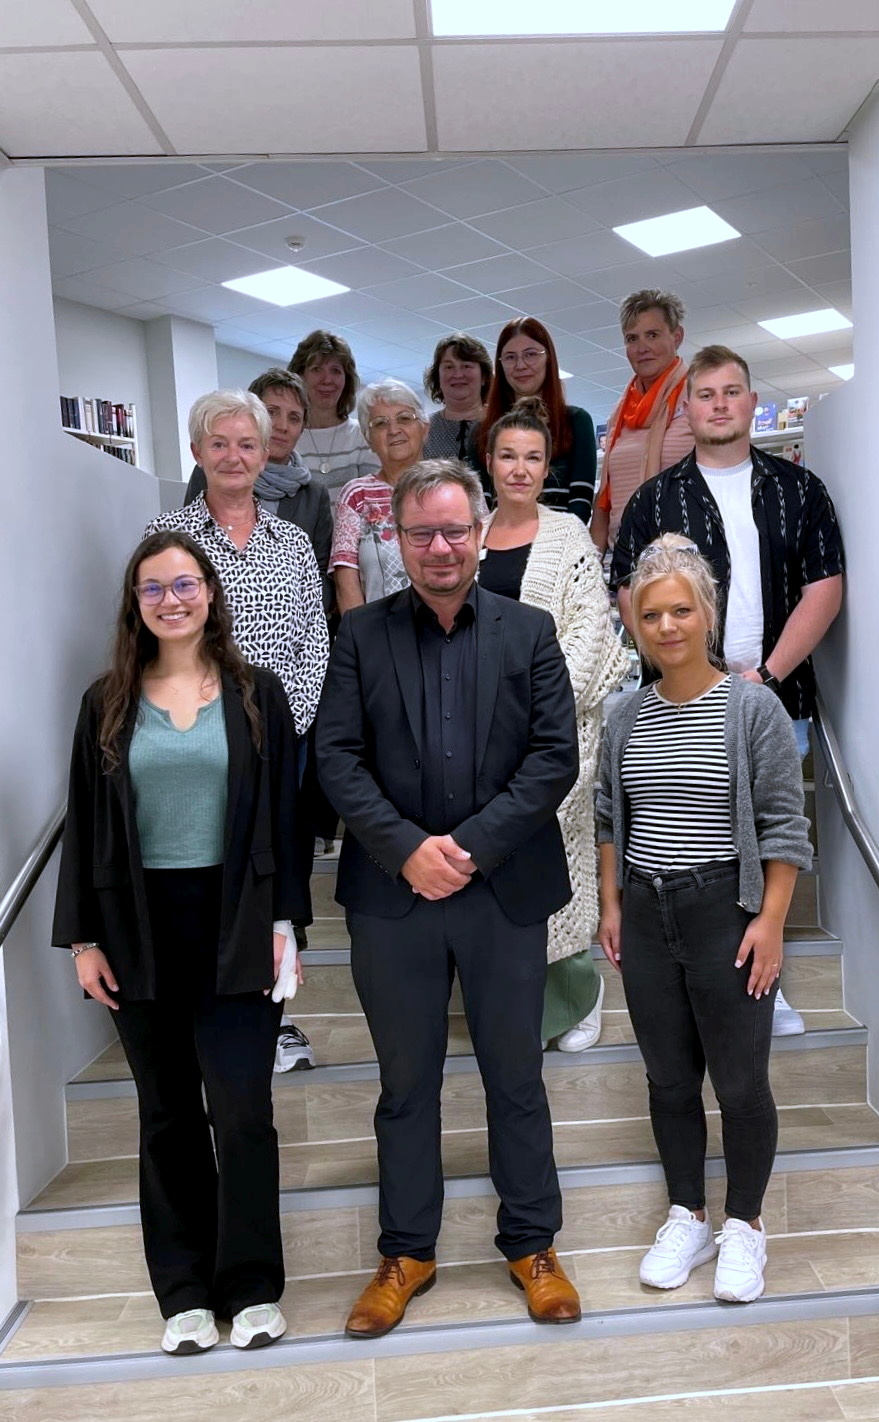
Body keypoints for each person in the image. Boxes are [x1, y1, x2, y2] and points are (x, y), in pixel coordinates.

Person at [316, 458, 582, 1338]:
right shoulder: (360, 637)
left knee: (517, 1077)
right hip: (396, 899)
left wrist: (464, 848)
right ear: (394, 539)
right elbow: (336, 759)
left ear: (478, 533)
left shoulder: (530, 630)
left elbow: (553, 757)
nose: (440, 547)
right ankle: (407, 1253)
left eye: (454, 530)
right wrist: (406, 852)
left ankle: (532, 1244)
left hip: (501, 888)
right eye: (421, 532)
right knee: (405, 1085)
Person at [52, 530, 310, 1356]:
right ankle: (186, 1292)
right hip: (137, 925)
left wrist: (285, 923)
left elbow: (286, 818)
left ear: (210, 593)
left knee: (241, 1112)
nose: (171, 600)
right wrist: (82, 940)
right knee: (166, 1115)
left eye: (185, 585)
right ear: (136, 603)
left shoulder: (256, 692)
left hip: (237, 917)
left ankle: (251, 1286)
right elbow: (87, 825)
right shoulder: (107, 703)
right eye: (153, 588)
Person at [596, 535, 811, 1305]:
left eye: (680, 610)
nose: (666, 626)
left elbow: (784, 824)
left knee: (741, 1084)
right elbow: (608, 819)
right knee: (666, 1080)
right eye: (651, 614)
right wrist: (612, 906)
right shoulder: (624, 716)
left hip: (725, 910)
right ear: (635, 624)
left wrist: (771, 922)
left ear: (707, 613)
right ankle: (686, 1213)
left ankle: (744, 1227)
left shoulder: (751, 706)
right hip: (647, 917)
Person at [611, 345, 845, 1037]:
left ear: (749, 401)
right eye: (704, 393)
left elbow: (823, 587)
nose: (717, 403)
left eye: (731, 391)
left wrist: (766, 675)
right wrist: (689, 672)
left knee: (768, 838)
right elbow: (628, 591)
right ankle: (700, 986)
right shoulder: (657, 497)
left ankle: (762, 984)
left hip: (775, 696)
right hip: (681, 698)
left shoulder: (798, 490)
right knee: (696, 852)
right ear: (686, 410)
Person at [146, 389, 329, 1072]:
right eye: (218, 443)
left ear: (265, 453)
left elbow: (315, 639)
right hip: (194, 740)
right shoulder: (167, 538)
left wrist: (287, 723)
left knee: (278, 873)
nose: (233, 456)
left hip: (282, 742)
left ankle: (273, 1015)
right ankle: (203, 1013)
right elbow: (151, 632)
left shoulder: (293, 542)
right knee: (211, 876)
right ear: (197, 452)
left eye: (246, 443)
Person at [479, 398, 626, 1050]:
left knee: (556, 867)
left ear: (547, 468)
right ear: (488, 462)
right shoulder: (471, 534)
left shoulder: (566, 536)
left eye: (531, 457)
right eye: (507, 455)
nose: (518, 468)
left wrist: (528, 714)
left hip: (550, 736)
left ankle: (575, 998)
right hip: (476, 743)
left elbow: (589, 638)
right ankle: (514, 1010)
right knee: (493, 872)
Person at [184, 369, 333, 611]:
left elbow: (322, 578)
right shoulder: (212, 474)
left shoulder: (314, 496)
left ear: (303, 428)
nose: (282, 426)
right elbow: (190, 551)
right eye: (271, 412)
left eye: (294, 418)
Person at [590, 290, 695, 554]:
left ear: (677, 336)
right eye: (632, 338)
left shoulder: (698, 396)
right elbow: (605, 500)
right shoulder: (620, 412)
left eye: (653, 335)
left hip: (689, 557)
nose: (642, 347)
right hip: (627, 558)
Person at [476, 317, 597, 524]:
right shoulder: (482, 431)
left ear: (548, 358)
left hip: (561, 546)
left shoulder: (577, 421)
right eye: (510, 357)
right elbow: (481, 508)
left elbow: (580, 503)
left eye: (530, 354)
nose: (520, 365)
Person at [330, 379, 428, 613]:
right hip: (380, 637)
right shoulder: (356, 495)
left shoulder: (455, 486)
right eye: (381, 423)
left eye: (404, 418)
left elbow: (477, 562)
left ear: (424, 428)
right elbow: (346, 580)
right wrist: (362, 642)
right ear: (369, 440)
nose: (394, 430)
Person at [289, 329, 380, 508]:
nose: (327, 379)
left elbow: (372, 504)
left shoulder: (363, 435)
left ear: (346, 379)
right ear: (300, 376)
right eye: (316, 369)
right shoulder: (288, 438)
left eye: (336, 371)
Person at [422, 332, 493, 466]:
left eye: (466, 366)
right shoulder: (422, 430)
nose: (458, 374)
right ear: (437, 377)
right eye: (449, 367)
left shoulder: (502, 424)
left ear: (483, 377)